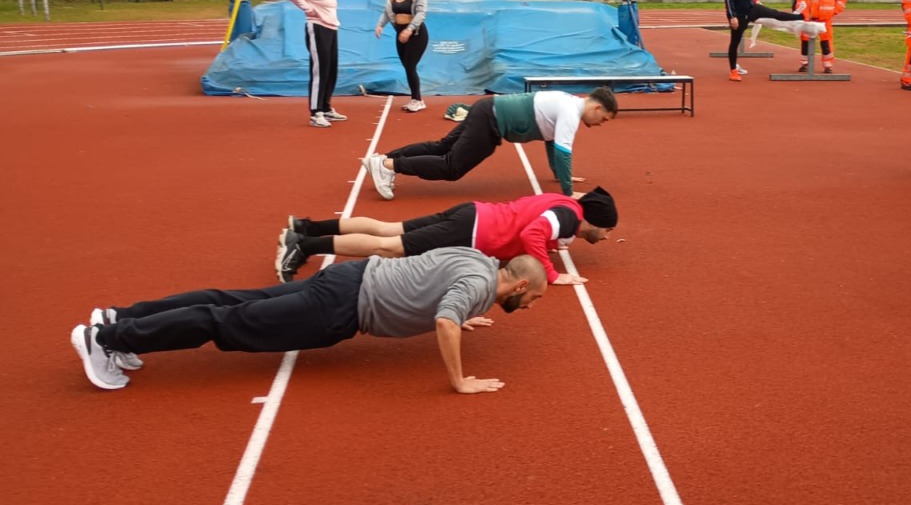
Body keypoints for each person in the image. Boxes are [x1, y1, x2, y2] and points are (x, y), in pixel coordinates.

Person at [70, 249, 547, 394]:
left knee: (229, 301)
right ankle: (105, 339)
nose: (528, 309)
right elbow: (444, 317)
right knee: (226, 322)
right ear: (520, 287)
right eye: (532, 301)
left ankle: (122, 317)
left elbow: (432, 278)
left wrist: (458, 313)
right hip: (341, 307)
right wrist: (460, 381)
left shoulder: (479, 262)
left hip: (352, 276)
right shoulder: (481, 290)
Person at [276, 186, 619, 285]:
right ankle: (304, 246)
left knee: (387, 228)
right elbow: (533, 233)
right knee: (388, 247)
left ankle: (306, 226)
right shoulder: (570, 219)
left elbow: (538, 219)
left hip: (472, 213)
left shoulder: (567, 203)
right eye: (606, 230)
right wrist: (551, 273)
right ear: (593, 220)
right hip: (470, 231)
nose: (605, 237)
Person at [363, 87, 618, 199]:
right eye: (602, 119)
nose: (599, 124)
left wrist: (560, 177)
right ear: (596, 107)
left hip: (488, 110)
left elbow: (552, 143)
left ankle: (381, 159)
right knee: (452, 168)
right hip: (491, 121)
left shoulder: (568, 103)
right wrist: (567, 192)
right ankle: (388, 166)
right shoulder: (571, 113)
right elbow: (563, 152)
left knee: (443, 147)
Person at [722, 0, 816, 82]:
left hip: (751, 9)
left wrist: (756, 2)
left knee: (774, 13)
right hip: (738, 15)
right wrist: (732, 17)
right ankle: (733, 70)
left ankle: (799, 16)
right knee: (735, 42)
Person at [285, 0, 344, 128]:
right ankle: (315, 112)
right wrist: (308, 9)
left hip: (331, 29)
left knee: (331, 70)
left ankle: (326, 107)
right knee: (320, 70)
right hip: (317, 29)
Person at [374, 0, 430, 113]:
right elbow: (387, 13)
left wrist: (410, 29)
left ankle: (418, 100)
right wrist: (380, 25)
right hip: (401, 34)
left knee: (410, 65)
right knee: (407, 66)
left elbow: (421, 14)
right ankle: (415, 98)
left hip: (416, 34)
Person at [794, 0, 847, 73]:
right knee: (805, 40)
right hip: (808, 18)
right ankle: (804, 63)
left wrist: (834, 11)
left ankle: (827, 65)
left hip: (824, 18)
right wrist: (800, 11)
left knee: (826, 41)